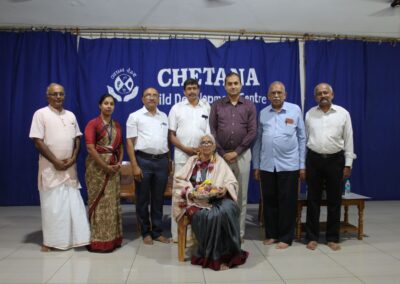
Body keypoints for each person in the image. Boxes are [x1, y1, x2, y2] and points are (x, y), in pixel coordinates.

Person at [173, 134, 249, 271]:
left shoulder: (220, 161)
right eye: (203, 142)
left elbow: (232, 181)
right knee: (212, 216)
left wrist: (224, 189)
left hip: (218, 199)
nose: (206, 144)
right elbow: (179, 180)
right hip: (196, 201)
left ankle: (227, 255)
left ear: (214, 146)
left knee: (227, 210)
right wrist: (190, 191)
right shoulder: (192, 161)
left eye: (209, 142)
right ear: (199, 146)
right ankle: (212, 256)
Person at [29, 83, 90, 251]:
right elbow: (37, 141)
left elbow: (78, 139)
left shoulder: (70, 115)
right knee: (53, 206)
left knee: (73, 204)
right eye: (54, 94)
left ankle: (76, 239)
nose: (58, 97)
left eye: (61, 94)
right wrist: (55, 161)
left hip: (69, 167)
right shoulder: (40, 114)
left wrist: (73, 158)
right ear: (47, 96)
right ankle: (51, 241)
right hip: (50, 167)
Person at [252, 81, 306, 249]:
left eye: (279, 93)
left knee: (287, 202)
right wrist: (256, 165)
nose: (276, 95)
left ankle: (285, 237)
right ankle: (272, 234)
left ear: (285, 95)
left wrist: (302, 165)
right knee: (269, 201)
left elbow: (302, 138)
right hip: (267, 165)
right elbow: (258, 140)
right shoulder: (263, 113)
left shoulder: (295, 110)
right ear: (268, 96)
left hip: (289, 165)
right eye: (273, 93)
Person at [305, 83, 356, 251]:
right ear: (315, 97)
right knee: (313, 200)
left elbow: (348, 140)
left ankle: (332, 238)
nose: (323, 95)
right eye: (319, 94)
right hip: (314, 160)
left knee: (334, 200)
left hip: (335, 161)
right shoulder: (310, 114)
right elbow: (304, 139)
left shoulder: (343, 114)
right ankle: (312, 237)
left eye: (325, 92)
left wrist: (348, 164)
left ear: (332, 95)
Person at [209, 72, 257, 240]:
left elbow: (252, 131)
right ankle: (221, 232)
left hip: (242, 155)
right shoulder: (217, 105)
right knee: (219, 194)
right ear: (225, 86)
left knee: (241, 196)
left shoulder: (249, 106)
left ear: (241, 85)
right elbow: (212, 131)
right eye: (229, 83)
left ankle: (238, 233)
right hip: (220, 155)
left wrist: (236, 151)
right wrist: (222, 153)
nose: (233, 86)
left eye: (236, 83)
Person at [126, 87, 170, 245]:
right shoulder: (135, 116)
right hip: (143, 161)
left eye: (154, 95)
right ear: (142, 99)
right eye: (148, 95)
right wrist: (134, 165)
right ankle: (145, 232)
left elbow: (166, 141)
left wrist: (168, 162)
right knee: (143, 198)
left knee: (158, 199)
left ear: (158, 98)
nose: (151, 98)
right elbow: (130, 142)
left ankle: (157, 231)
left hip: (161, 161)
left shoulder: (164, 116)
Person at [168, 78, 210, 242]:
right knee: (179, 194)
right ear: (184, 92)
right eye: (189, 89)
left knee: (199, 194)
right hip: (182, 156)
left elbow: (209, 134)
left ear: (199, 89)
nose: (192, 91)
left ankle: (197, 233)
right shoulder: (176, 108)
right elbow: (171, 135)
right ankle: (177, 234)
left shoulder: (206, 107)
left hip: (202, 158)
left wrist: (202, 150)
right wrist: (186, 149)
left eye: (194, 88)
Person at [84, 94, 123, 252]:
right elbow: (90, 148)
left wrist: (119, 162)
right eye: (106, 103)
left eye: (111, 104)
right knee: (99, 201)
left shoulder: (117, 125)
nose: (109, 106)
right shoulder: (93, 124)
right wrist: (105, 166)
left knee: (111, 203)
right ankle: (97, 241)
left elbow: (119, 147)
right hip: (97, 169)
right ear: (100, 105)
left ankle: (112, 240)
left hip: (114, 169)